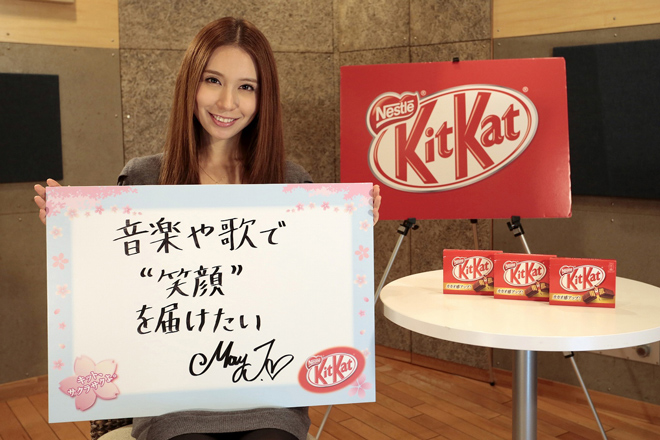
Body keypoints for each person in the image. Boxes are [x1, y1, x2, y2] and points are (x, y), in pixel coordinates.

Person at [33, 17, 381, 440]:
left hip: (269, 395)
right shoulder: (144, 178)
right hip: (172, 400)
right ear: (190, 84)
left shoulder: (292, 183)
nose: (227, 102)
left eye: (246, 87)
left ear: (264, 98)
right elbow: (116, 292)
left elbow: (312, 293)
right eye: (213, 80)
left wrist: (347, 236)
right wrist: (73, 235)